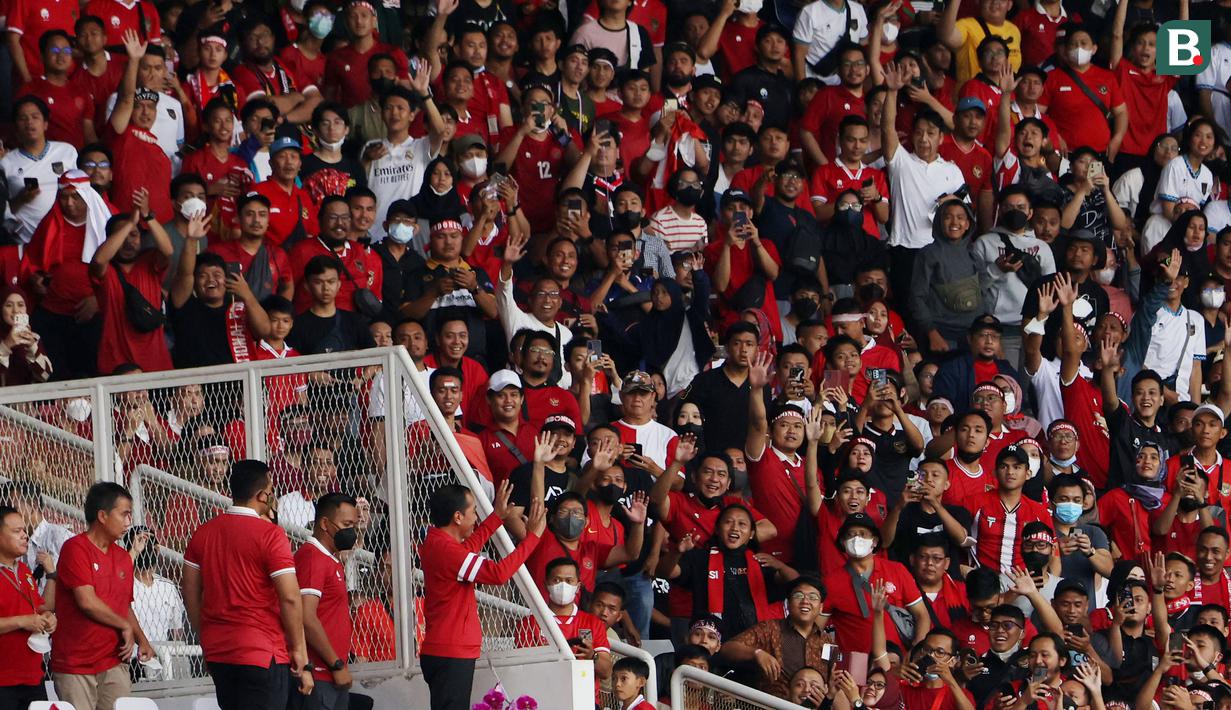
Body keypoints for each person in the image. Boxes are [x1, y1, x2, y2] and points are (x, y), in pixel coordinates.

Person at [182, 460, 314, 710]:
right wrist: (299, 650)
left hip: (220, 652)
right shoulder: (270, 535)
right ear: (263, 495)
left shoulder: (203, 533)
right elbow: (289, 597)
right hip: (262, 650)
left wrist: (206, 639)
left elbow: (189, 591)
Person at [419, 482, 546, 710]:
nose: (476, 517)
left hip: (445, 649)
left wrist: (495, 518)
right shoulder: (448, 551)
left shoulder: (437, 542)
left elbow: (466, 551)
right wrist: (533, 538)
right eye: (474, 511)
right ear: (458, 517)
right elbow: (498, 574)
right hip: (451, 651)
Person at [52, 482, 154, 710]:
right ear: (102, 516)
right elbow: (86, 601)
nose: (129, 522)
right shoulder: (75, 548)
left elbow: (124, 606)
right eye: (124, 514)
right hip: (76, 665)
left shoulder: (122, 557)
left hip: (114, 661)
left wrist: (142, 640)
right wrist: (123, 627)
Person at [719, 575, 833, 698]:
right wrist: (756, 653)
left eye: (813, 597)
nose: (805, 601)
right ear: (788, 603)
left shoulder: (827, 641)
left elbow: (833, 684)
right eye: (798, 596)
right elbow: (727, 649)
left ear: (821, 607)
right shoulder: (769, 629)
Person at [295, 492, 359, 710]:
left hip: (331, 676)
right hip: (321, 675)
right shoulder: (312, 558)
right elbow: (306, 616)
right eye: (346, 524)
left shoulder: (330, 558)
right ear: (325, 523)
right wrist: (336, 664)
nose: (351, 531)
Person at [0, 504, 57, 707]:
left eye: (25, 530)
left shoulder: (24, 570)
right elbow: (26, 617)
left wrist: (49, 618)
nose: (25, 535)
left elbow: (41, 608)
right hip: (4, 683)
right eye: (17, 531)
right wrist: (23, 621)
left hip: (33, 678)